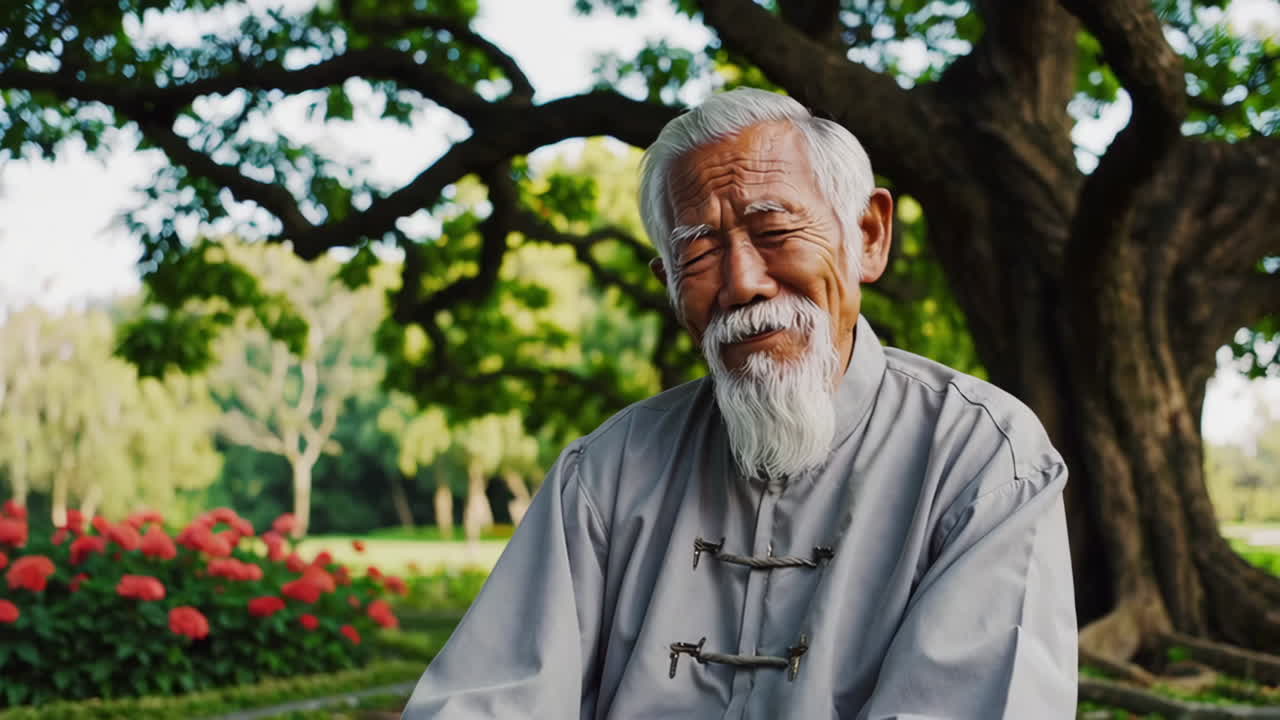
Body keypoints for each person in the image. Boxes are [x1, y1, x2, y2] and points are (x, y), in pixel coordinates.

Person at [402, 88, 1077, 719]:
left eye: (775, 231)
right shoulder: (606, 472)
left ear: (868, 236)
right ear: (667, 283)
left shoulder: (984, 459)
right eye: (697, 252)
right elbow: (482, 700)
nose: (742, 283)